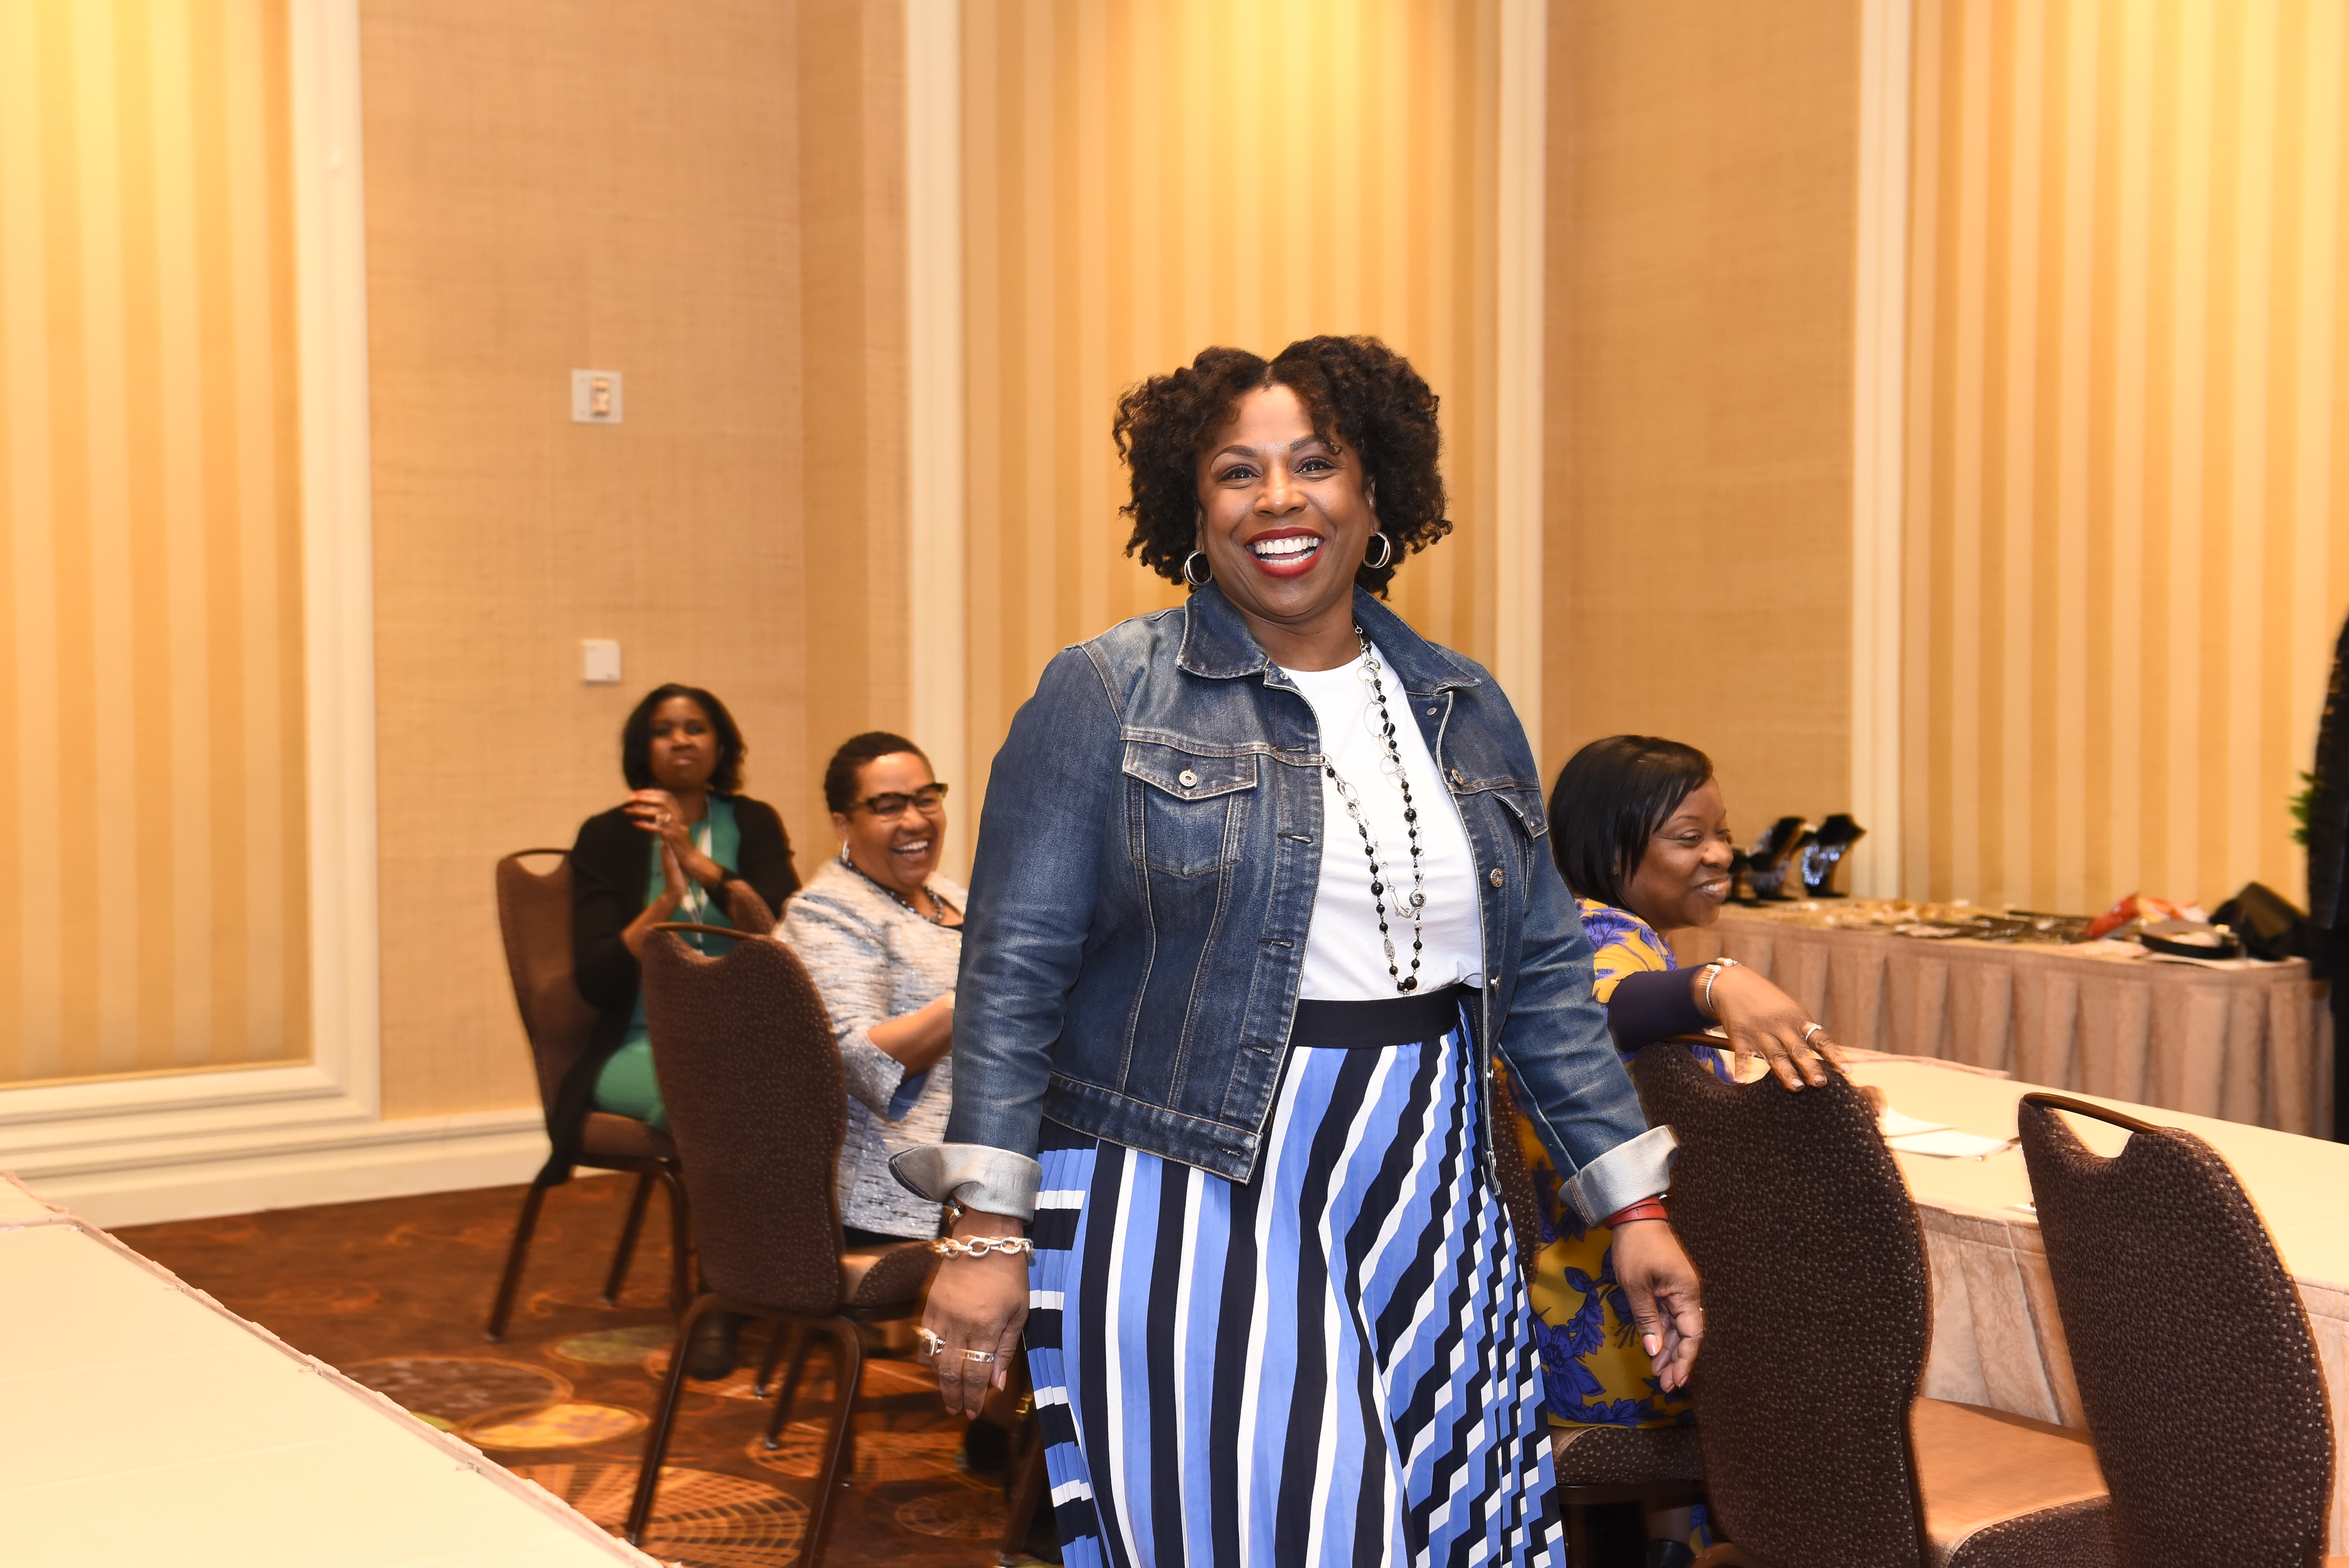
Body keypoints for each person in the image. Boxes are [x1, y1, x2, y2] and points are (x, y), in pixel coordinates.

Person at [898, 336, 1705, 1567]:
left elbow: (1545, 978)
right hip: (1185, 1184)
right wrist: (985, 1230)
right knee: (1276, 1525)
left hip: (1432, 1182)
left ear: (1376, 495)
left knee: (1442, 1526)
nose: (1279, 499)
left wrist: (1630, 1201)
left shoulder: (1463, 704)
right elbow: (1010, 978)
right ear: (1193, 509)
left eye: (1315, 464)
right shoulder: (1106, 692)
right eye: (1238, 472)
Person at [1508, 734, 1839, 1568]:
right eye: (1689, 837)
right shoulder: (1596, 935)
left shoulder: (1579, 927)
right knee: (1834, 1350)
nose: (1721, 854)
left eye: (1723, 833)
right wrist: (1713, 980)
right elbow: (1600, 1008)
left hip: (1563, 1318)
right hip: (1615, 1332)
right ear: (1606, 842)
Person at [563, 683, 799, 1375]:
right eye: (664, 729)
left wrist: (699, 866)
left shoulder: (752, 821)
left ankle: (800, 1277)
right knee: (713, 1100)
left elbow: (783, 926)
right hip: (641, 1042)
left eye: (696, 727)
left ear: (721, 744)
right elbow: (595, 977)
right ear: (643, 748)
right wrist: (667, 896)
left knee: (817, 1086)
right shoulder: (606, 835)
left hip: (748, 1036)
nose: (681, 740)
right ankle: (719, 1294)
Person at [779, 732, 966, 1245]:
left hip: (986, 1156)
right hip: (899, 1189)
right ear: (844, 824)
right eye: (888, 806)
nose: (915, 820)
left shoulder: (945, 892)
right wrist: (972, 1000)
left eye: (926, 798)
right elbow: (855, 1059)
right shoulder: (826, 912)